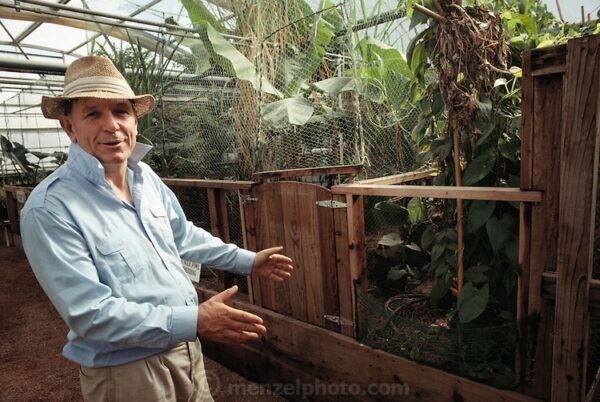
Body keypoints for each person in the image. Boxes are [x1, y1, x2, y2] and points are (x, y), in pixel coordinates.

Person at [20, 55, 294, 402]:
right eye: (93, 113)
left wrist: (247, 261)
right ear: (69, 127)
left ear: (134, 119)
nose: (112, 126)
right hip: (127, 375)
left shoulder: (145, 178)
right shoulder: (51, 208)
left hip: (187, 352)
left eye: (120, 111)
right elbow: (90, 314)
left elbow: (182, 235)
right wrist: (195, 320)